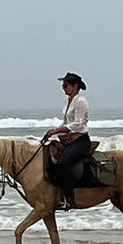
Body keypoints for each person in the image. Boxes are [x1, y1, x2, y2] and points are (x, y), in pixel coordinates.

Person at [44, 72, 90, 209]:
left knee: (64, 163)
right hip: (69, 140)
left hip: (80, 140)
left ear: (75, 86)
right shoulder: (68, 101)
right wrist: (53, 131)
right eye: (63, 86)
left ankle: (68, 198)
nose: (63, 88)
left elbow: (78, 124)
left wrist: (57, 131)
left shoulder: (80, 102)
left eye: (66, 85)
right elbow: (66, 122)